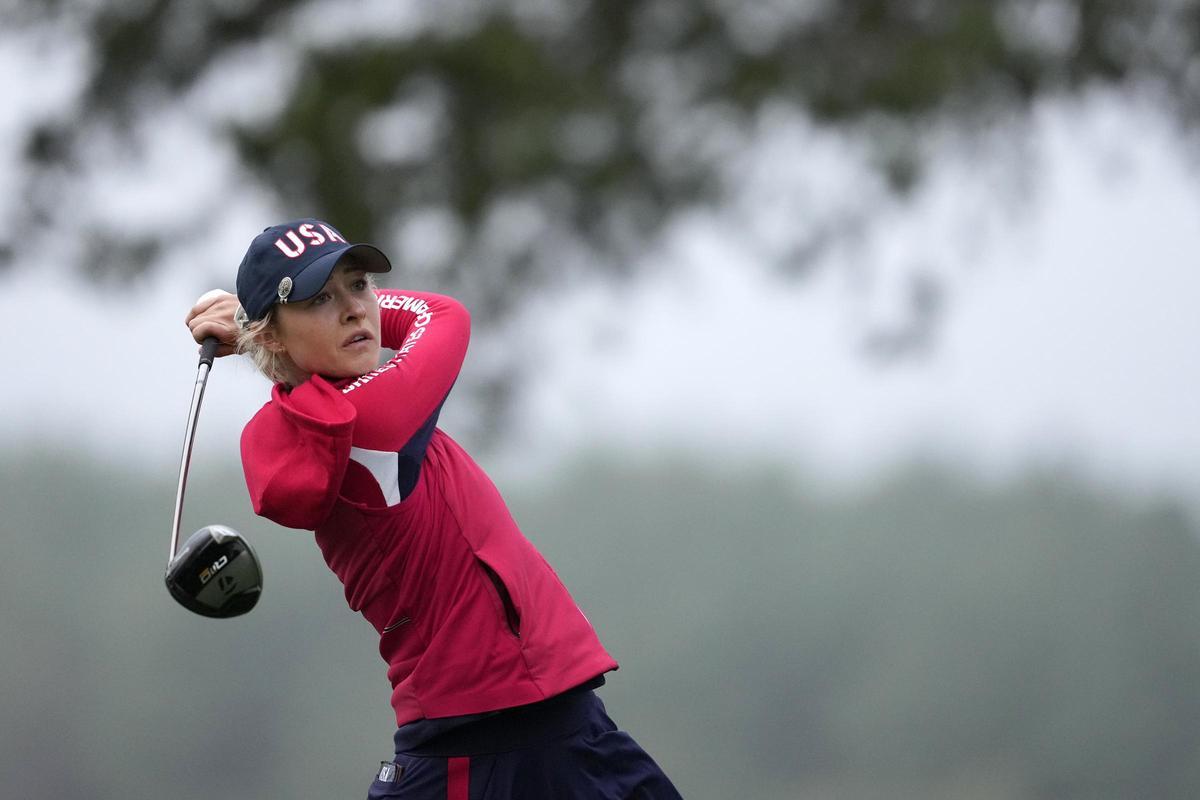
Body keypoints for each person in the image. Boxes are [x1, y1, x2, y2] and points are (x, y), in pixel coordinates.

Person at [185, 219, 684, 799]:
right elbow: (444, 315)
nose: (355, 311)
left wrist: (257, 326)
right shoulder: (375, 417)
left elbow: (335, 353)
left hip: (555, 722)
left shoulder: (322, 417)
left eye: (360, 285)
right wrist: (251, 324)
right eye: (321, 297)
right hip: (473, 744)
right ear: (273, 335)